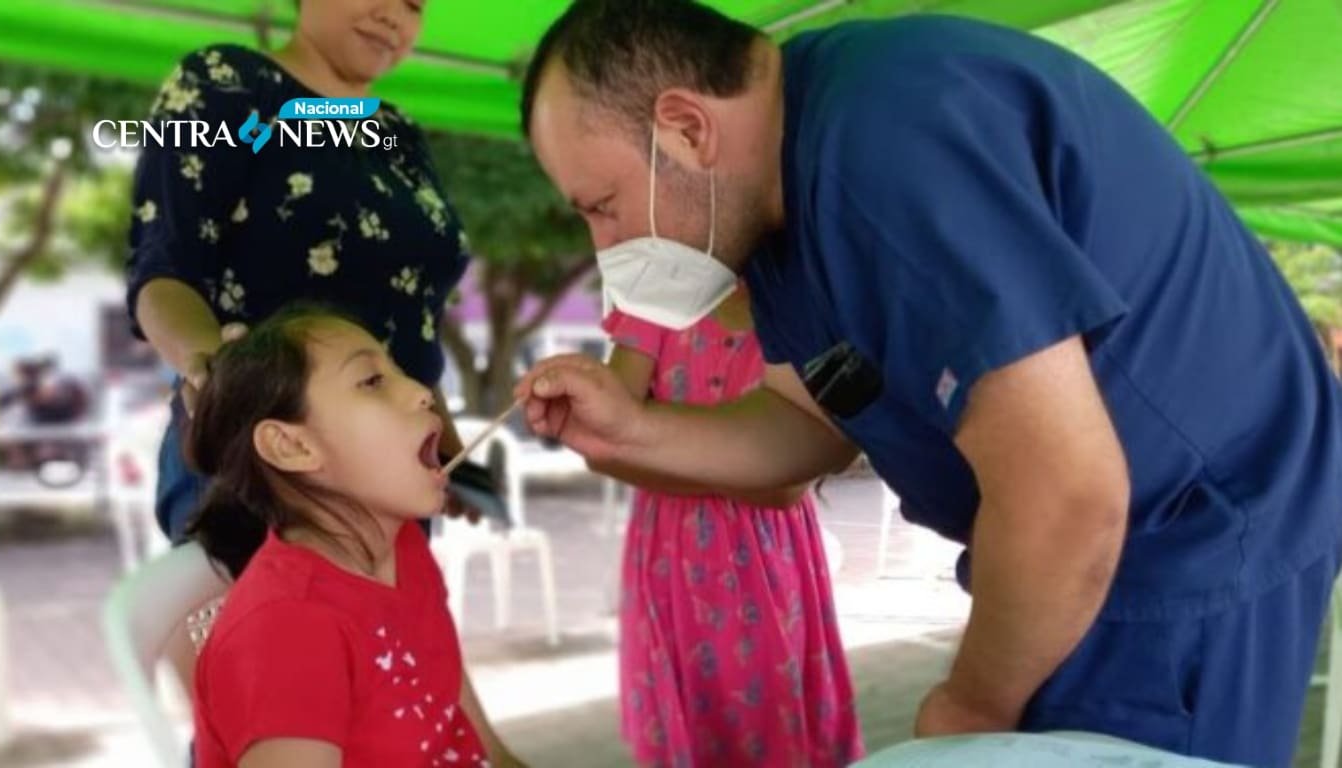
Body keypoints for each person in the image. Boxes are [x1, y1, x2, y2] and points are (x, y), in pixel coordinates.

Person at [513, 2, 1342, 766]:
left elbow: (1067, 495)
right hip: (1081, 551)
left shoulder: (887, 149)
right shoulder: (779, 199)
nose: (606, 245)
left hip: (1183, 541)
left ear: (688, 128)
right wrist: (632, 430)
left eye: (605, 205)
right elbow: (811, 421)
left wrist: (969, 705)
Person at [126, 0, 479, 550]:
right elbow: (164, 269)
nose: (394, 15)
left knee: (384, 636)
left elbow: (411, 321)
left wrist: (447, 448)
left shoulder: (397, 135)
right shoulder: (230, 85)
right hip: (262, 458)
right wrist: (220, 379)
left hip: (391, 468)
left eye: (414, 5)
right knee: (272, 633)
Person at [185, 304, 523, 768]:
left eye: (399, 371)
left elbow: (462, 716)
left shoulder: (401, 546)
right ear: (293, 446)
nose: (422, 393)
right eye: (372, 381)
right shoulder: (288, 631)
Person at [604, 283, 861, 767]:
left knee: (772, 717)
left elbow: (785, 487)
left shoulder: (797, 307)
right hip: (672, 562)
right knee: (687, 717)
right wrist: (742, 460)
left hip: (770, 560)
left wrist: (653, 434)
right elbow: (604, 443)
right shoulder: (654, 300)